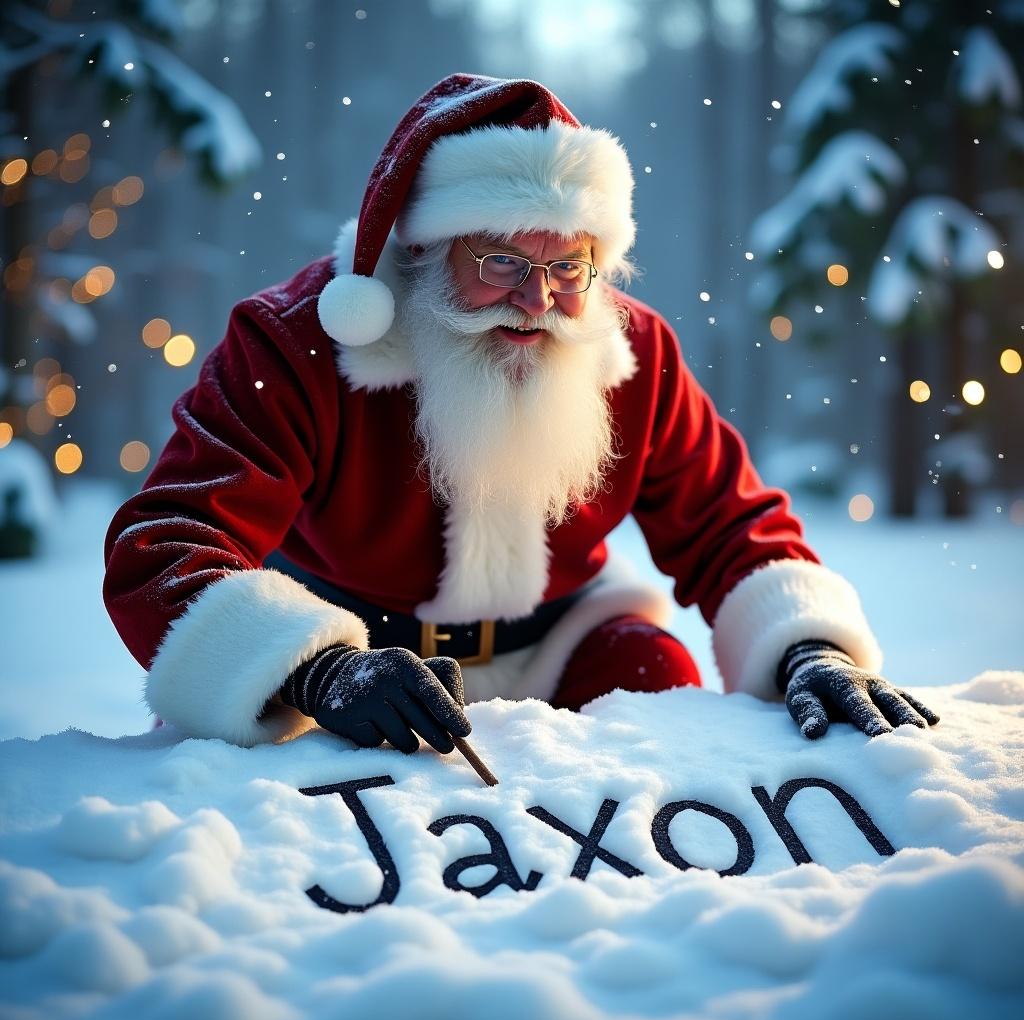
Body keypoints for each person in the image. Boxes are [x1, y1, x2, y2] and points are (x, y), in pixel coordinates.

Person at [103, 73, 938, 752]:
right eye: (501, 259)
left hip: (560, 644)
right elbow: (166, 544)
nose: (537, 299)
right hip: (346, 658)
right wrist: (313, 669)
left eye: (569, 267)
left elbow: (727, 522)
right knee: (233, 776)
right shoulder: (298, 344)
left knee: (659, 684)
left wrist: (807, 643)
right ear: (424, 250)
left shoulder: (633, 352)